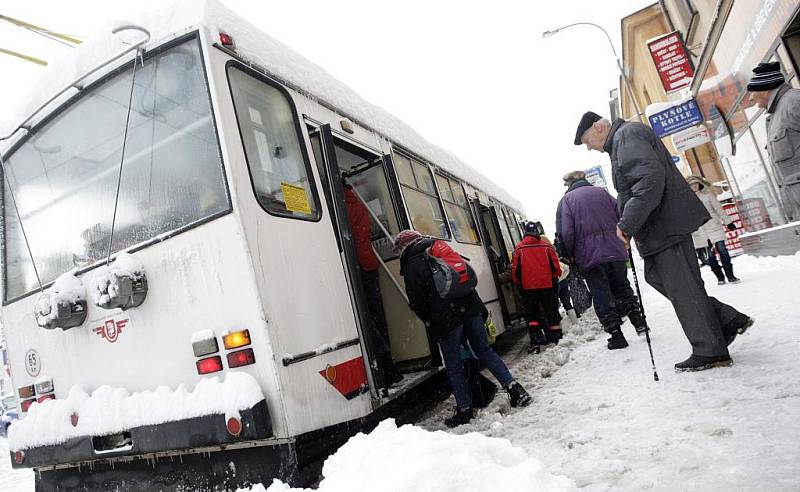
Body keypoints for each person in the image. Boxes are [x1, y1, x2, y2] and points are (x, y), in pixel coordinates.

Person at [574, 111, 754, 372]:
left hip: (665, 226)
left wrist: (627, 223)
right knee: (661, 278)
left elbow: (648, 182)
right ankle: (724, 320)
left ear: (598, 127)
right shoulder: (622, 141)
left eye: (587, 140)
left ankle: (710, 349)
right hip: (659, 228)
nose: (589, 147)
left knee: (682, 286)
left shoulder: (626, 136)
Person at [394, 229, 531, 427]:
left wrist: (430, 321)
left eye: (398, 250)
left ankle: (465, 409)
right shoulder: (439, 249)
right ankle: (515, 389)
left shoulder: (411, 264)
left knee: (454, 365)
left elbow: (417, 301)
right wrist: (479, 310)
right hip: (471, 310)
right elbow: (465, 282)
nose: (398, 254)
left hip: (447, 319)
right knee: (484, 350)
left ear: (404, 247)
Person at [556, 170, 647, 350]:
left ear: (569, 183)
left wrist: (568, 253)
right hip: (615, 248)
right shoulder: (602, 193)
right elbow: (621, 215)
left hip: (589, 255)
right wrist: (625, 238)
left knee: (601, 293)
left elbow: (566, 232)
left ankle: (616, 335)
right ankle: (639, 321)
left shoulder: (567, 201)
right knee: (622, 286)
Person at [343, 182, 403, 388]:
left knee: (365, 318)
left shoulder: (341, 207)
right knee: (377, 316)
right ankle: (390, 367)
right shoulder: (358, 203)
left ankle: (385, 365)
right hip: (369, 264)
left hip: (357, 266)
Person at [747, 61, 800, 222]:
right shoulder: (776, 115)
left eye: (753, 92)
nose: (750, 98)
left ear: (767, 89)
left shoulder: (794, 102)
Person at [511, 221, 562, 353]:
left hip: (528, 288)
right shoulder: (547, 246)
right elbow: (556, 266)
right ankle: (557, 338)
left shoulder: (519, 248)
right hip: (547, 285)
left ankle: (536, 341)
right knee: (551, 313)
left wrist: (519, 283)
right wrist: (555, 276)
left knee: (532, 316)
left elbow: (516, 270)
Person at [686, 175, 740, 285]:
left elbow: (719, 209)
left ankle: (730, 276)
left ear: (699, 184)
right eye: (691, 185)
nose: (694, 186)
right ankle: (720, 277)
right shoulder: (687, 201)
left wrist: (728, 222)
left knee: (723, 250)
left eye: (696, 184)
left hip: (714, 227)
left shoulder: (708, 196)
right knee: (709, 257)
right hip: (699, 232)